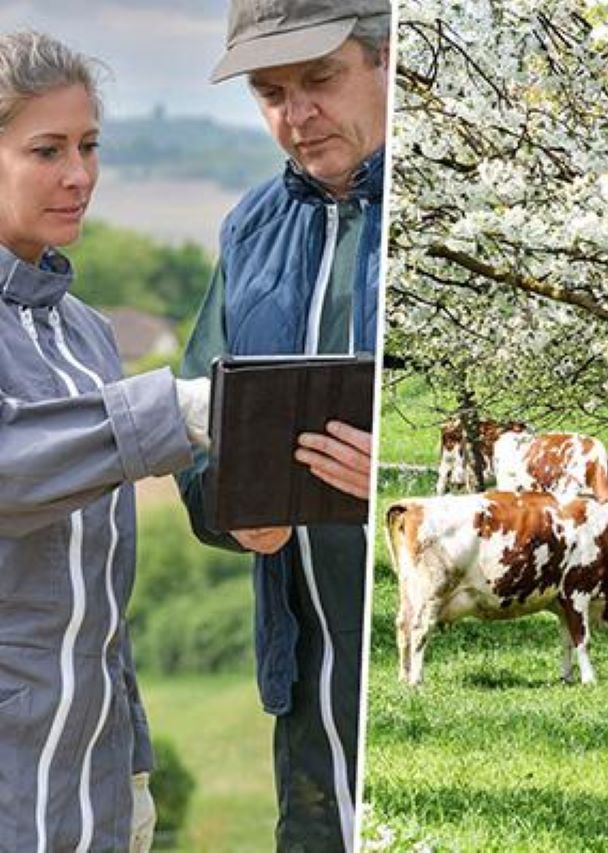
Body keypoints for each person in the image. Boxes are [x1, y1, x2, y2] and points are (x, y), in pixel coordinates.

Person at [175, 0, 389, 849]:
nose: (296, 118)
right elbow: (196, 427)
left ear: (389, 60)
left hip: (442, 685)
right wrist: (227, 507)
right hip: (305, 692)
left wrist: (407, 482)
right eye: (270, 93)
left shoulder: (459, 227)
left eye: (320, 81)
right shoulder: (251, 229)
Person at [0, 30, 209, 851]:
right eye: (45, 149)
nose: (78, 175)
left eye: (89, 146)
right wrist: (182, 412)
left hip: (97, 784)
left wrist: (135, 771)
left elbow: (100, 605)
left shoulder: (88, 335)